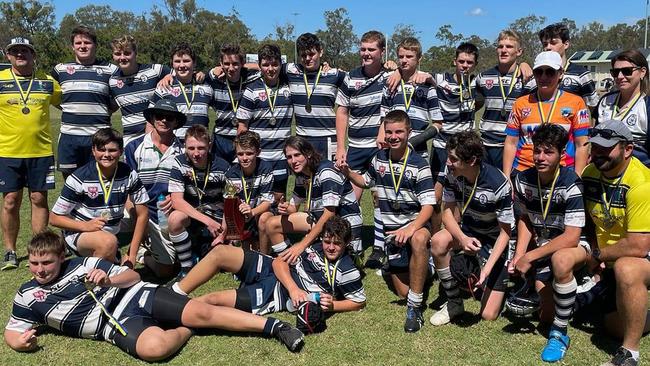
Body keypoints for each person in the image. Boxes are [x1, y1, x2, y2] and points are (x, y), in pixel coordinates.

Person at [4, 230, 304, 361]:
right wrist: (20, 343)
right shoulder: (28, 295)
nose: (40, 270)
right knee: (154, 349)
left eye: (47, 263)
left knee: (204, 312)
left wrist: (109, 279)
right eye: (34, 263)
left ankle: (275, 327)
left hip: (135, 295)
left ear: (60, 258)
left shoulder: (85, 263)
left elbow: (133, 275)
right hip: (113, 326)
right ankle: (185, 328)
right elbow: (12, 332)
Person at [340, 110, 435, 333]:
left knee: (420, 240)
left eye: (399, 132)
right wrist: (348, 172)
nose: (393, 137)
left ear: (409, 132)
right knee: (403, 290)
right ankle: (423, 268)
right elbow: (365, 181)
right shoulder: (379, 158)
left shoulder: (419, 164)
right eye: (389, 132)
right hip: (391, 232)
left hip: (415, 225)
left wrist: (412, 228)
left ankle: (415, 307)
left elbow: (429, 206)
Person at [172, 216, 365, 318]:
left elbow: (358, 302)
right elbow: (279, 261)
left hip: (275, 294)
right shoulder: (315, 247)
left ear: (346, 243)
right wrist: (294, 287)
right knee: (220, 252)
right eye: (327, 241)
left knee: (212, 299)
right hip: (275, 271)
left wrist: (333, 306)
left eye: (337, 243)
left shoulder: (348, 270)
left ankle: (173, 310)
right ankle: (175, 292)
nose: (330, 247)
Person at [509, 124, 589, 362]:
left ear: (562, 154)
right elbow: (525, 218)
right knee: (544, 315)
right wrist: (519, 255)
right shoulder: (522, 179)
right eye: (537, 151)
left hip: (573, 247)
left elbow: (572, 236)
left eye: (548, 152)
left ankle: (560, 333)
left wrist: (529, 257)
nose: (540, 157)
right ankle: (573, 295)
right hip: (542, 245)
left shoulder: (571, 182)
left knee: (561, 260)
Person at [580, 121, 650, 366]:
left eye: (606, 148)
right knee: (612, 326)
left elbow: (639, 246)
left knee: (627, 268)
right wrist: (591, 246)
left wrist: (598, 255)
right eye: (595, 147)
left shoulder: (641, 183)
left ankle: (629, 355)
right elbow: (588, 221)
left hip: (641, 257)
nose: (598, 154)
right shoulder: (589, 175)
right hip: (609, 258)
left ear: (628, 149)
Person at [429, 130, 514, 325]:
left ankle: (490, 274)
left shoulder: (497, 183)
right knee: (439, 241)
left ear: (472, 160)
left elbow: (505, 233)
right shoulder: (452, 174)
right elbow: (448, 212)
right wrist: (463, 238)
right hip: (469, 233)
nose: (448, 162)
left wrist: (486, 271)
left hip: (495, 240)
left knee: (488, 315)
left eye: (453, 158)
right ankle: (454, 302)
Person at [0, 37, 61, 270]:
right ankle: (10, 251)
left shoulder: (47, 81)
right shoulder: (1, 79)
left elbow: (67, 102)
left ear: (33, 55)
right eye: (15, 51)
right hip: (7, 152)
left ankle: (40, 249)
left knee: (38, 199)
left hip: (41, 151)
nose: (20, 54)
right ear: (8, 56)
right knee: (10, 201)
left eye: (25, 50)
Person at [50, 128, 149, 264]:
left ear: (120, 151)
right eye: (101, 150)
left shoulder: (129, 174)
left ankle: (115, 258)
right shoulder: (79, 178)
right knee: (108, 243)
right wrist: (86, 226)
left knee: (148, 223)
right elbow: (54, 218)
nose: (106, 154)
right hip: (81, 232)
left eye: (112, 150)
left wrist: (132, 255)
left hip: (112, 228)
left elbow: (143, 214)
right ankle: (97, 269)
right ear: (93, 151)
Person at [335, 30, 389, 269]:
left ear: (382, 52)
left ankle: (379, 248)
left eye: (371, 49)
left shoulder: (390, 76)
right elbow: (342, 112)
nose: (366, 54)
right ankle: (352, 246)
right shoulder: (350, 78)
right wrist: (340, 147)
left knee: (379, 196)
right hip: (355, 147)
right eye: (363, 49)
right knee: (349, 199)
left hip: (380, 147)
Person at [265, 136, 363, 261]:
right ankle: (289, 261)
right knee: (272, 224)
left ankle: (301, 256)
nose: (293, 161)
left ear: (309, 154)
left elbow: (329, 213)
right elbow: (293, 208)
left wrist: (302, 244)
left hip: (343, 225)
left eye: (297, 155)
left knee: (323, 264)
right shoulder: (302, 174)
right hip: (321, 221)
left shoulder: (326, 171)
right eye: (289, 157)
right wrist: (285, 208)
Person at [503, 50, 591, 178]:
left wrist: (577, 177)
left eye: (550, 72)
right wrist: (506, 176)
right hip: (524, 171)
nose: (543, 77)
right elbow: (511, 142)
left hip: (562, 172)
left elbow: (582, 144)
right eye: (539, 72)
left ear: (561, 74)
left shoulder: (576, 102)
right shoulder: (520, 103)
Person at [124, 99, 185, 277]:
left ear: (176, 122)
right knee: (108, 226)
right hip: (136, 208)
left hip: (164, 214)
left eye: (170, 117)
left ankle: (143, 255)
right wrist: (136, 216)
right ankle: (108, 256)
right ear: (152, 118)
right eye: (159, 116)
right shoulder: (133, 147)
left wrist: (174, 199)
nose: (164, 120)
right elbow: (128, 189)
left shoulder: (183, 150)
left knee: (166, 272)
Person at [52, 25, 118, 179]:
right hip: (69, 136)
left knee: (100, 180)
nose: (82, 46)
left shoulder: (111, 70)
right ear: (72, 47)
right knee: (70, 183)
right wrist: (67, 108)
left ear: (95, 45)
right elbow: (50, 95)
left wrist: (106, 110)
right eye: (78, 43)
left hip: (99, 135)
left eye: (87, 43)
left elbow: (119, 97)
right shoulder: (60, 69)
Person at [167, 125, 230, 277]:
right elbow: (177, 201)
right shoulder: (179, 163)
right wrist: (207, 221)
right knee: (175, 218)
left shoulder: (223, 166)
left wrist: (223, 233)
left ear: (209, 145)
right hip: (194, 216)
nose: (196, 153)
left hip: (218, 219)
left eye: (201, 148)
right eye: (191, 148)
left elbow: (230, 205)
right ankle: (186, 267)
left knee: (222, 262)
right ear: (184, 147)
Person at [236, 44, 292, 197]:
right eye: (266, 65)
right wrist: (244, 154)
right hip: (259, 157)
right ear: (259, 66)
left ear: (281, 64)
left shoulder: (289, 87)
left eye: (274, 64)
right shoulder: (251, 90)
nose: (271, 69)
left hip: (281, 156)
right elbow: (242, 126)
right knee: (258, 199)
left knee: (278, 199)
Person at [475, 29, 535, 169]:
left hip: (513, 144)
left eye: (509, 47)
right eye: (500, 46)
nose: (503, 50)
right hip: (486, 144)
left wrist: (525, 65)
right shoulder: (483, 77)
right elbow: (472, 103)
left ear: (519, 52)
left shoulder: (528, 79)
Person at [286, 32, 346, 161]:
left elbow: (361, 79)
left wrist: (392, 69)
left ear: (321, 52)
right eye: (303, 55)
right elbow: (264, 66)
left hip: (328, 139)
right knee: (304, 180)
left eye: (311, 54)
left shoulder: (334, 74)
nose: (307, 58)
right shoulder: (291, 71)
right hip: (302, 139)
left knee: (329, 179)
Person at [109, 35, 172, 145]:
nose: (122, 57)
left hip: (157, 135)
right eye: (118, 54)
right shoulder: (112, 81)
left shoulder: (154, 70)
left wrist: (169, 76)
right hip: (130, 139)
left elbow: (181, 72)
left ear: (135, 53)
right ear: (113, 56)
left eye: (127, 53)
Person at [595, 49, 650, 166]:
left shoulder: (647, 105)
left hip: (638, 175)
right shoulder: (604, 101)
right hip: (603, 172)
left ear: (642, 72)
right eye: (615, 72)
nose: (620, 76)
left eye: (626, 71)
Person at [150, 43, 213, 144]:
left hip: (200, 147)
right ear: (172, 64)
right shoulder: (164, 87)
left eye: (186, 61)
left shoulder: (206, 86)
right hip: (173, 147)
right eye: (177, 61)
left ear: (194, 63)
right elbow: (150, 122)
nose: (182, 65)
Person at [224, 131, 275, 252]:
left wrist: (252, 212)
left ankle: (264, 256)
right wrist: (226, 232)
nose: (245, 158)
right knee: (244, 252)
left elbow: (267, 202)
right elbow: (229, 205)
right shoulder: (231, 174)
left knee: (264, 218)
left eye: (249, 153)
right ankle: (246, 253)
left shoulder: (265, 168)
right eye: (240, 154)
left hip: (259, 212)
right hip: (242, 217)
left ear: (258, 152)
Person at [209, 44, 260, 163]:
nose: (231, 68)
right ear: (220, 64)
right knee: (218, 177)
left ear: (242, 63)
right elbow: (191, 74)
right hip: (220, 138)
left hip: (243, 137)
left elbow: (266, 67)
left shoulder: (251, 78)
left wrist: (247, 66)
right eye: (226, 64)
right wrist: (169, 75)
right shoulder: (214, 79)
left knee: (240, 179)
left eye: (235, 64)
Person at [537, 23, 599, 111]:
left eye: (553, 43)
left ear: (566, 44)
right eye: (545, 44)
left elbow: (592, 108)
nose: (548, 47)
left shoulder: (581, 74)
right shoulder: (537, 74)